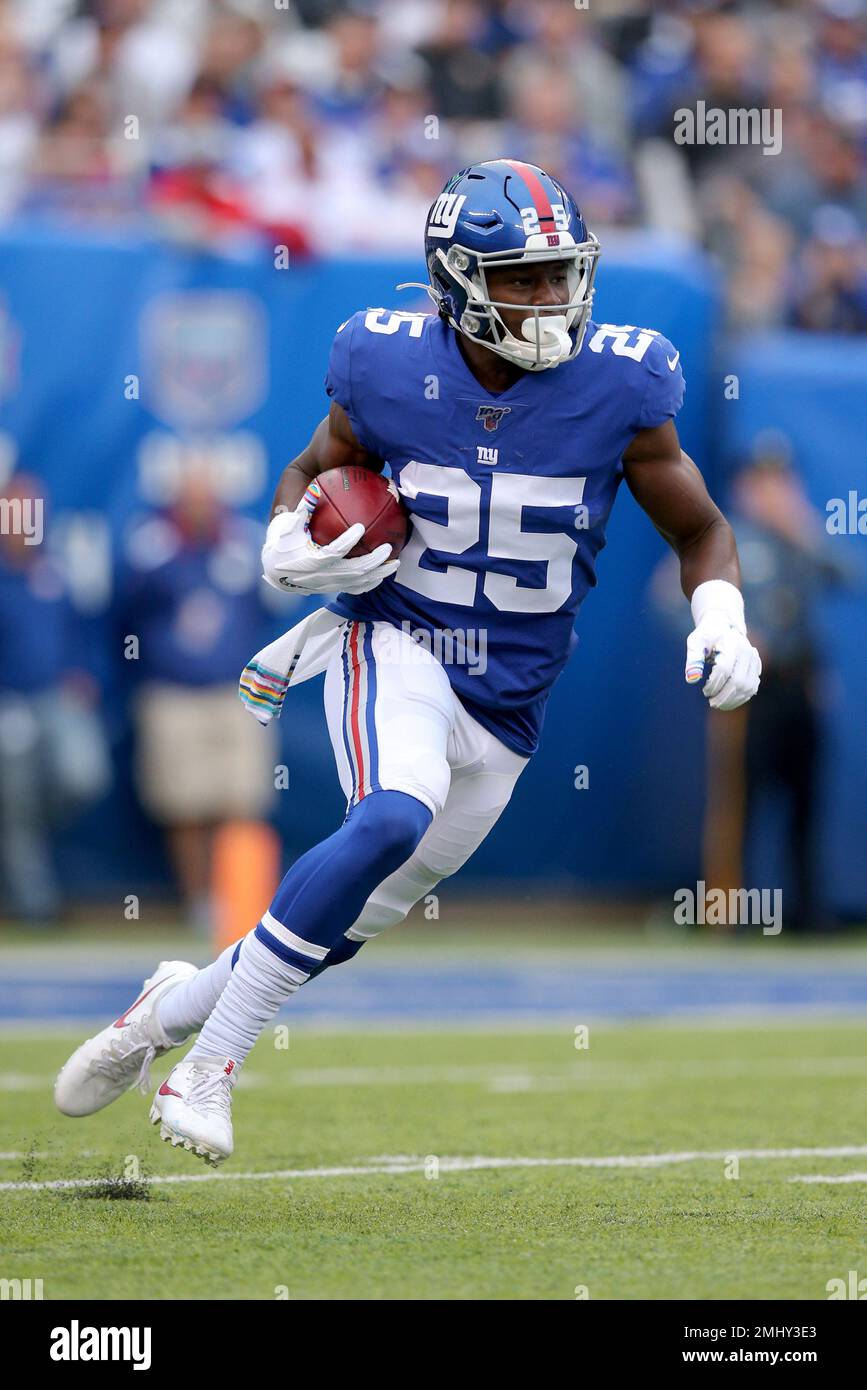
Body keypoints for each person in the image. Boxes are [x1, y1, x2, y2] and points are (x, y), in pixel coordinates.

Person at [54, 159, 761, 1162]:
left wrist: (724, 619)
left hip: (511, 703)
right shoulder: (386, 363)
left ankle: (158, 1013)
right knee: (390, 812)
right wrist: (283, 537)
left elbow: (700, 528)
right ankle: (208, 1065)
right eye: (521, 278)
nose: (550, 297)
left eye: (560, 272)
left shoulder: (621, 378)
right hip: (394, 640)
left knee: (331, 931)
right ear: (458, 280)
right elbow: (311, 469)